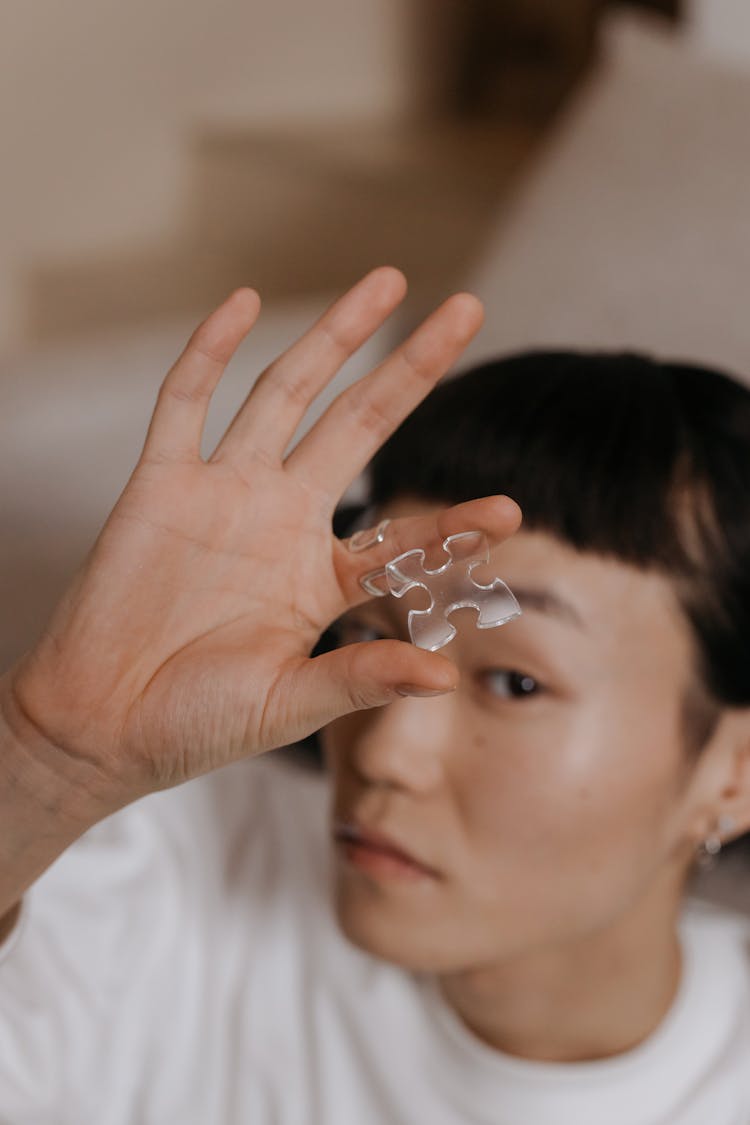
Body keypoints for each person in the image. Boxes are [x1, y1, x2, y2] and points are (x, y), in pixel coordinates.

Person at [0, 268, 749, 1123]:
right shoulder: (176, 865)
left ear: (734, 770)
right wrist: (44, 763)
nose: (388, 751)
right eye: (374, 630)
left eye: (515, 682)